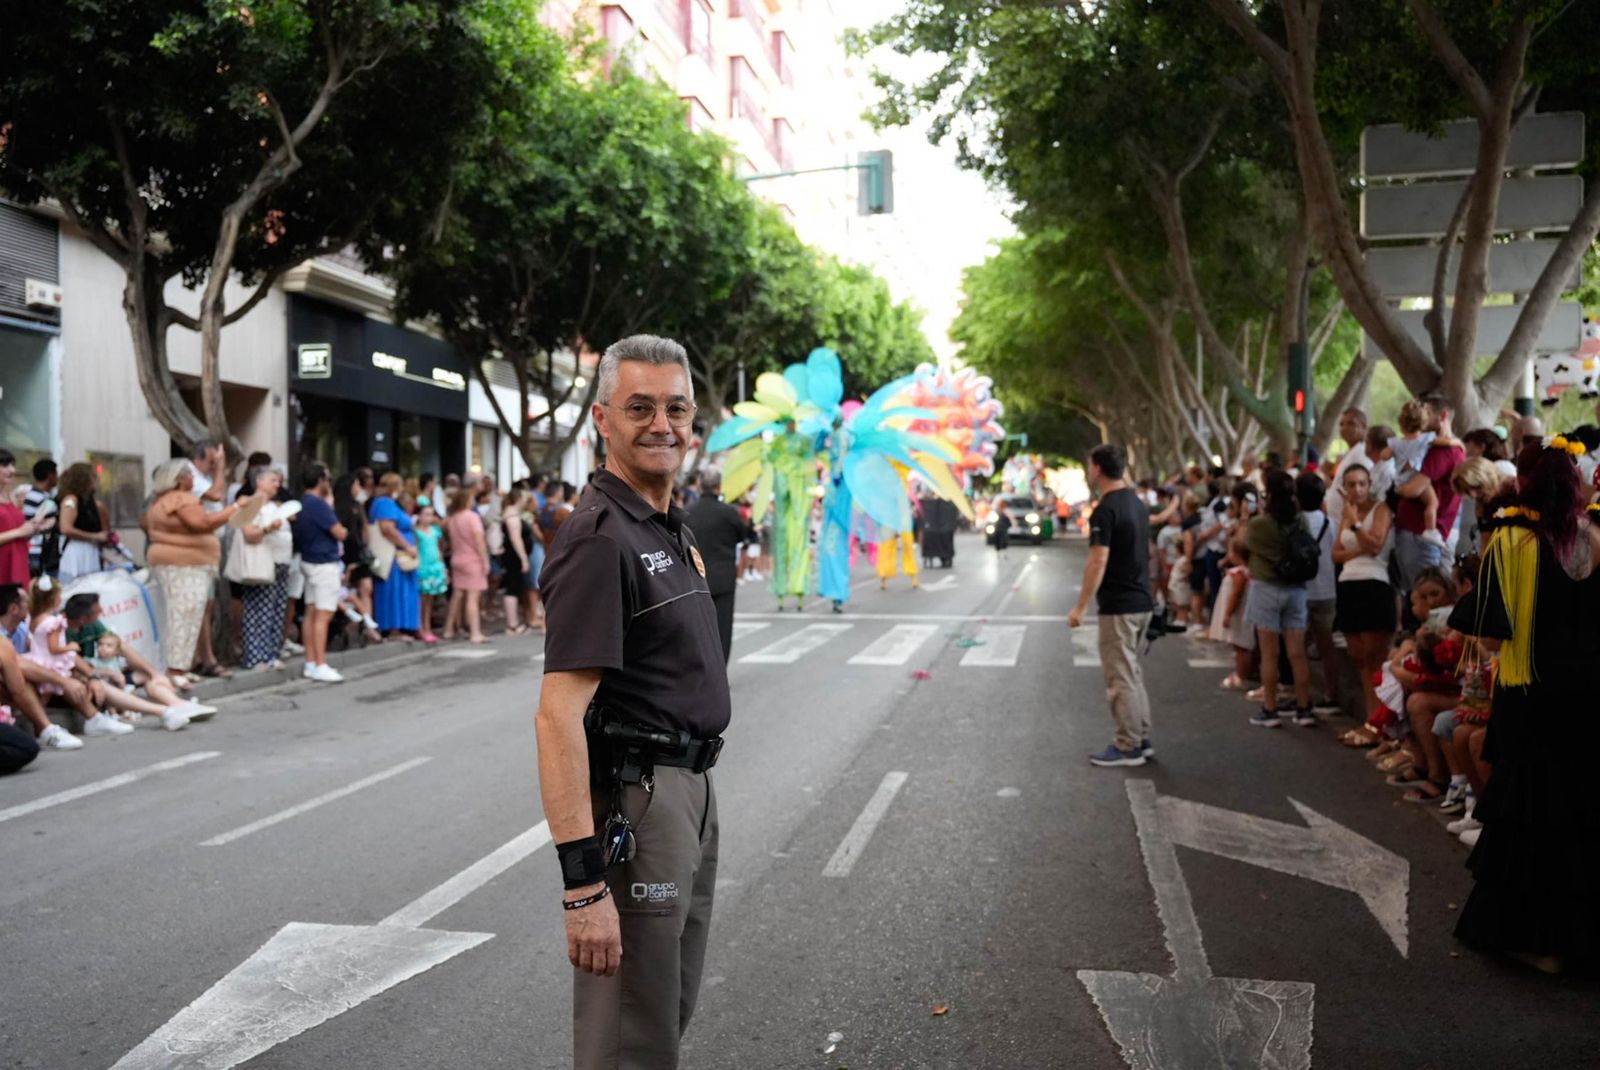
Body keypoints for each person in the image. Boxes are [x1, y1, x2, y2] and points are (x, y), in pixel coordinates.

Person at [537, 335, 728, 1070]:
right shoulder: (600, 541)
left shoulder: (666, 523)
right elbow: (557, 715)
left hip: (689, 791)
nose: (662, 424)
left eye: (676, 408)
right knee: (630, 1038)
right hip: (640, 803)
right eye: (639, 407)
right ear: (602, 420)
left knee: (663, 1013)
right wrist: (583, 885)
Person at [1452, 437, 1600, 974]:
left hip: (1532, 699)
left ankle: (1542, 944)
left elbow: (1490, 638)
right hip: (1589, 701)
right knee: (1584, 814)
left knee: (1533, 819)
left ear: (1526, 487)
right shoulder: (1599, 537)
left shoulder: (1511, 542)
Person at [1068, 444, 1155, 767]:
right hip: (1142, 599)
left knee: (1120, 677)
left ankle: (1128, 744)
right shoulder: (1136, 503)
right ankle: (1140, 737)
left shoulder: (1105, 510)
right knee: (1131, 673)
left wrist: (1080, 606)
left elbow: (1097, 560)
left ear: (1096, 469)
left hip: (1119, 605)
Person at [143, 459, 250, 680]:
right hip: (184, 565)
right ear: (179, 480)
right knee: (184, 614)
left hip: (179, 563)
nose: (194, 479)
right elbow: (203, 523)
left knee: (184, 615)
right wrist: (236, 507)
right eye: (190, 475)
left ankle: (181, 666)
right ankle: (175, 669)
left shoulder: (162, 500)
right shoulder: (181, 500)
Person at [1243, 470, 1317, 728]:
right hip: (1296, 589)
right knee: (1297, 653)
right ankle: (1304, 707)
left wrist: (1248, 516)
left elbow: (1244, 545)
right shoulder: (1300, 522)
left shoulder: (1258, 525)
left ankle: (1270, 708)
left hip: (1266, 589)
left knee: (1270, 654)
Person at [1331, 463, 1397, 735]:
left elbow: (1376, 545)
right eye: (1350, 484)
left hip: (1374, 584)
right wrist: (1360, 545)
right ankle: (1371, 721)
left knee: (1375, 657)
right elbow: (1336, 554)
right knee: (1359, 657)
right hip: (1348, 585)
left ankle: (1383, 725)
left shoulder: (1380, 509)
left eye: (1361, 483)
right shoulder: (1346, 513)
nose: (1356, 489)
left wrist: (1357, 526)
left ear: (1370, 484)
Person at [1391, 398, 1465, 591]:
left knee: (1423, 593)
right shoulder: (1436, 447)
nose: (1420, 416)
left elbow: (1412, 489)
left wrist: (1396, 486)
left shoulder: (1442, 452)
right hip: (1423, 531)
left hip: (1419, 532)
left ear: (1443, 416)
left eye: (1426, 411)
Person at [686, 469, 755, 661]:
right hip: (723, 576)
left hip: (695, 577)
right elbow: (744, 535)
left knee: (698, 627)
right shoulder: (729, 512)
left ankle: (701, 668)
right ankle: (720, 670)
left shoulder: (688, 512)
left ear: (700, 486)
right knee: (722, 628)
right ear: (719, 487)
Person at [292, 463, 348, 683]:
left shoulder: (301, 503)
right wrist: (331, 506)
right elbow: (339, 532)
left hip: (308, 559)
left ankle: (310, 661)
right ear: (321, 481)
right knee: (323, 613)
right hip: (323, 561)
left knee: (311, 611)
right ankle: (320, 662)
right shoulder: (319, 505)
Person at [235, 467, 294, 670]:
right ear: (258, 481)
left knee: (276, 609)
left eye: (278, 481)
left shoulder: (272, 505)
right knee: (259, 609)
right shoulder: (251, 504)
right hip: (263, 563)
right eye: (273, 480)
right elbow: (249, 534)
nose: (277, 484)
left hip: (280, 562)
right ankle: (255, 656)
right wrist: (269, 528)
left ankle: (270, 654)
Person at [369, 472, 421, 637]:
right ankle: (393, 628)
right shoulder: (385, 503)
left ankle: (403, 626)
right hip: (394, 555)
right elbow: (387, 529)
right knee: (394, 592)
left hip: (399, 554)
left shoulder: (387, 503)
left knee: (401, 590)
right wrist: (406, 546)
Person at [334, 470, 381, 641]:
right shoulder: (340, 508)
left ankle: (368, 626)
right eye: (356, 485)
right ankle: (354, 624)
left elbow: (364, 528)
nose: (358, 488)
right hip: (346, 551)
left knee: (366, 588)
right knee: (346, 591)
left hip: (359, 549)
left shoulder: (358, 506)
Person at [443, 489, 490, 643]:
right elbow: (479, 541)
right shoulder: (472, 517)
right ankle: (475, 632)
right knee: (472, 597)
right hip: (472, 559)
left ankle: (449, 628)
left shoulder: (452, 518)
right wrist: (485, 560)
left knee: (457, 596)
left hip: (457, 558)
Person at [55, 462, 110, 584]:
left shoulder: (92, 503)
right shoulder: (71, 500)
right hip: (75, 550)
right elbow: (66, 528)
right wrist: (94, 536)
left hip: (90, 551)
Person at [0, 449, 47, 586]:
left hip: (19, 561)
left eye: (12, 465)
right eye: (5, 465)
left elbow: (17, 531)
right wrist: (19, 532)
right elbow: (16, 532)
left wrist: (33, 527)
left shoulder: (12, 498)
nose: (12, 470)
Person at [500, 487, 537, 635]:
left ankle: (514, 623)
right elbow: (515, 538)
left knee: (514, 586)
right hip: (514, 556)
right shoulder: (512, 515)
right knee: (513, 587)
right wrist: (523, 558)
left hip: (513, 555)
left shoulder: (512, 513)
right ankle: (513, 624)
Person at [1325, 407, 1368, 531]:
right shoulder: (1350, 452)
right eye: (1341, 424)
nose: (1344, 428)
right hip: (1338, 520)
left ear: (1364, 428)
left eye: (1351, 424)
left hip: (1348, 522)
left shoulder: (1361, 453)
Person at [414, 503, 448, 644]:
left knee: (429, 601)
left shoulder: (435, 531)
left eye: (431, 515)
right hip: (423, 568)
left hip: (435, 567)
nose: (429, 518)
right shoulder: (416, 532)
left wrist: (442, 566)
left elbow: (439, 550)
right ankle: (421, 628)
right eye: (426, 514)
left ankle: (427, 627)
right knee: (422, 601)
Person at [21, 458, 58, 576]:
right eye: (56, 473)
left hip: (32, 550)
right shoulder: (43, 499)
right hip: (37, 551)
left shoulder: (30, 495)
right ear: (50, 476)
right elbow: (36, 523)